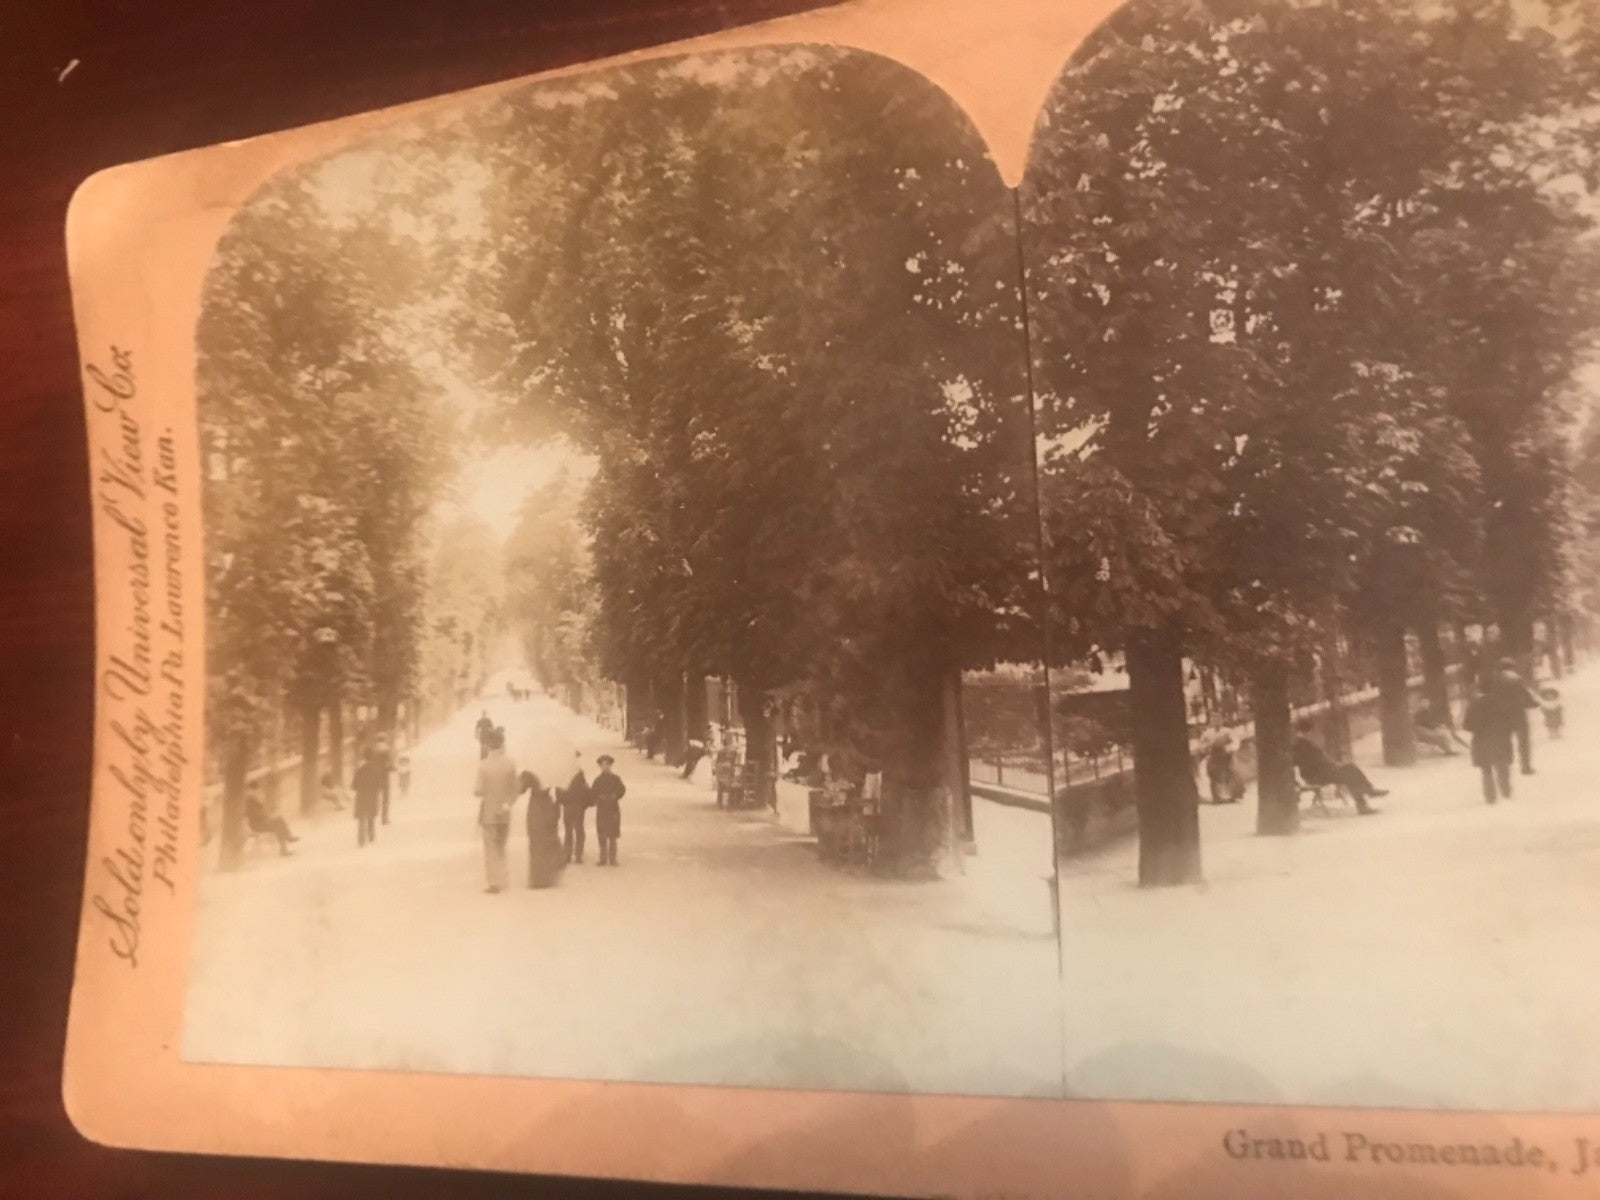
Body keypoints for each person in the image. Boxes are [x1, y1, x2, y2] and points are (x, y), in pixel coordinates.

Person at [1291, 719, 1384, 815]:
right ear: (1309, 731)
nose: (1313, 733)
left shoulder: (1303, 742)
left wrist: (1334, 766)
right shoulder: (1300, 745)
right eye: (1312, 731)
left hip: (1322, 771)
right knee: (1350, 771)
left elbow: (1320, 760)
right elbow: (1312, 762)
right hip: (1316, 775)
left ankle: (1366, 798)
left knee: (1350, 770)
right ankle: (1366, 797)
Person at [474, 728, 519, 893]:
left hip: (488, 813)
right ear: (502, 744)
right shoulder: (510, 764)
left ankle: (494, 882)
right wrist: (507, 803)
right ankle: (503, 878)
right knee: (501, 845)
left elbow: (478, 790)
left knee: (490, 848)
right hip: (505, 812)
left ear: (488, 746)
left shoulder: (484, 765)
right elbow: (516, 789)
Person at [1463, 679, 1516, 804]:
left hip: (1482, 741)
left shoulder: (1474, 704)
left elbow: (1467, 725)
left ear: (1479, 689)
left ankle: (1490, 797)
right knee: (1502, 766)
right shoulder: (1502, 702)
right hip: (1501, 739)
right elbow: (1510, 720)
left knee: (1486, 770)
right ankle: (1506, 792)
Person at [1490, 659, 1540, 776]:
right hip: (1518, 715)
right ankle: (1525, 767)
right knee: (1523, 741)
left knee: (1504, 741)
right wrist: (1533, 704)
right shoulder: (1516, 679)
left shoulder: (1494, 681)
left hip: (1501, 716)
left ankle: (1505, 766)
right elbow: (1525, 695)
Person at [521, 770, 564, 888]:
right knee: (549, 838)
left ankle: (538, 879)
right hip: (551, 805)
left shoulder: (530, 770)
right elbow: (562, 790)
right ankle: (549, 875)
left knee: (536, 842)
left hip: (537, 807)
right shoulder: (554, 765)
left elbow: (520, 788)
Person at [591, 754, 627, 866]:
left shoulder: (616, 779)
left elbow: (622, 790)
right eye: (603, 765)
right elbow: (593, 793)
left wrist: (615, 796)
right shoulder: (597, 780)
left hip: (613, 810)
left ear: (610, 766)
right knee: (602, 835)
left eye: (607, 765)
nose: (605, 767)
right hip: (602, 810)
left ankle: (612, 858)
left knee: (612, 835)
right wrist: (598, 798)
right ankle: (602, 858)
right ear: (600, 766)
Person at [557, 752, 591, 864]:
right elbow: (559, 789)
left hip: (573, 805)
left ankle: (575, 854)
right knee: (572, 830)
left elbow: (559, 790)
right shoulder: (576, 772)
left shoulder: (575, 772)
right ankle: (572, 854)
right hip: (573, 805)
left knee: (576, 830)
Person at [245, 784, 298, 855]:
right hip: (257, 825)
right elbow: (255, 815)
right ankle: (287, 841)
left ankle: (286, 843)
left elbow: (260, 813)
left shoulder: (253, 800)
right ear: (251, 791)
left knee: (278, 821)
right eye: (255, 791)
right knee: (278, 822)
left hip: (261, 823)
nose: (257, 793)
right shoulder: (250, 801)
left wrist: (265, 812)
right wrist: (267, 815)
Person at [351, 747, 386, 847]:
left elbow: (353, 785)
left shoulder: (359, 770)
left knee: (361, 817)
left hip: (361, 796)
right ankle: (371, 835)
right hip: (372, 796)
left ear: (364, 757)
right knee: (371, 816)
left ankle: (361, 838)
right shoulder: (377, 770)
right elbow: (379, 785)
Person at [1203, 732, 1243, 805]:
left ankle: (1235, 795)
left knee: (1232, 772)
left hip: (1226, 754)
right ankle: (1216, 797)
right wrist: (1207, 750)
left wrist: (1230, 749)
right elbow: (1204, 745)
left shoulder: (1227, 732)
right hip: (1215, 755)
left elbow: (1235, 742)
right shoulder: (1207, 733)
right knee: (1214, 775)